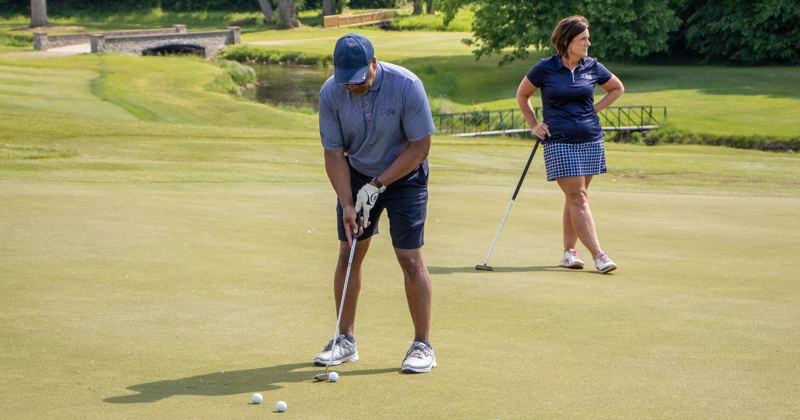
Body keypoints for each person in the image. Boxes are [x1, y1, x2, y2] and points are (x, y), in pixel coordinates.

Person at [315, 33, 437, 373]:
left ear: (373, 63)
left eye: (358, 79)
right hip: (355, 175)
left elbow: (420, 146)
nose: (352, 86)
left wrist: (379, 183)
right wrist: (348, 202)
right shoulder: (330, 92)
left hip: (404, 176)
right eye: (346, 80)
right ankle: (345, 341)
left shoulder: (406, 85)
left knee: (410, 259)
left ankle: (422, 345)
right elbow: (333, 153)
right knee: (349, 252)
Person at [516, 15, 624, 274]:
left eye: (587, 38)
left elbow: (617, 88)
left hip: (590, 139)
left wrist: (592, 110)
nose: (588, 43)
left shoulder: (592, 66)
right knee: (578, 196)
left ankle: (568, 253)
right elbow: (523, 94)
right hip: (559, 141)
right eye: (583, 39)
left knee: (575, 197)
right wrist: (533, 124)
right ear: (567, 42)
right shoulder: (545, 68)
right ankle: (599, 254)